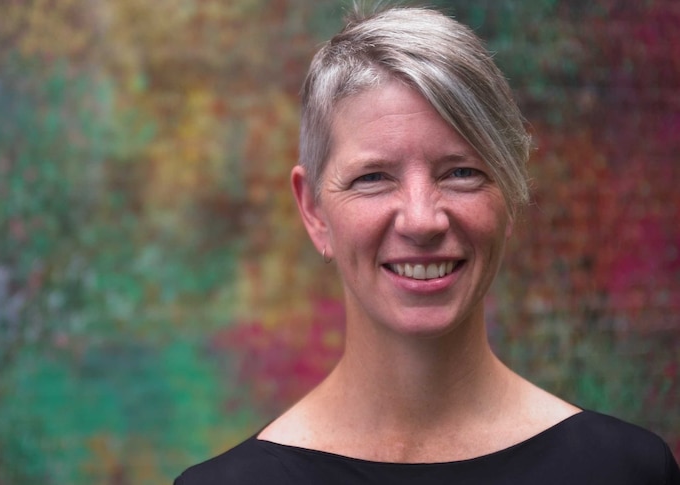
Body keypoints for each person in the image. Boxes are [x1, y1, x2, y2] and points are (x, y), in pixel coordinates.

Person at [175, 5, 680, 484]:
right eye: (373, 177)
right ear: (313, 210)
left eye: (461, 173)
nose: (422, 220)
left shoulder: (626, 471)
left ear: (509, 192)